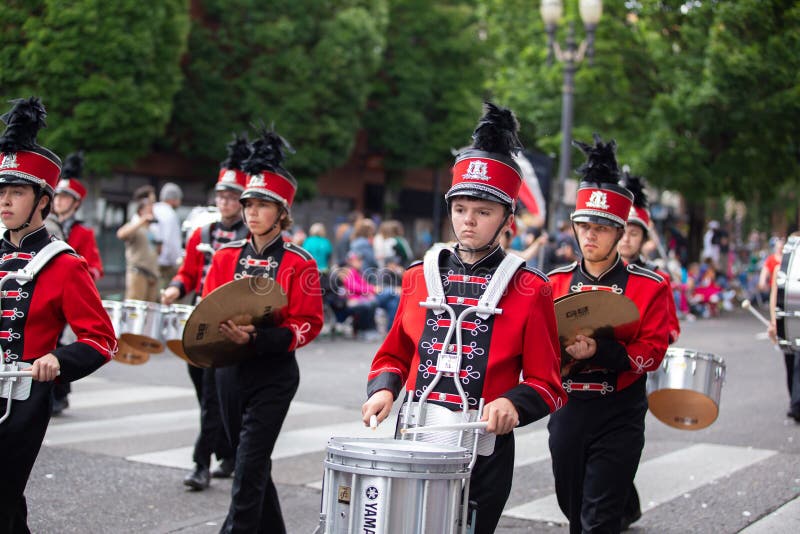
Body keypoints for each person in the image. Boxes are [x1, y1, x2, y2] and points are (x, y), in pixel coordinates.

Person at [361, 103, 566, 534]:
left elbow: (547, 383)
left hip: (484, 446)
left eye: (483, 211)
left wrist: (512, 402)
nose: (468, 221)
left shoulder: (532, 287)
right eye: (460, 209)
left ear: (507, 219)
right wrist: (383, 391)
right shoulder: (419, 276)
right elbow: (393, 356)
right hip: (416, 432)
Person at [0, 97, 117, 532]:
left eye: (16, 192)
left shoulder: (64, 264)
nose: (5, 201)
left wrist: (58, 361)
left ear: (43, 201)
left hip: (22, 398)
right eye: (0, 192)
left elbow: (102, 339)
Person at [546, 134, 670, 534]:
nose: (590, 235)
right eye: (583, 226)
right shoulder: (552, 283)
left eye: (601, 228)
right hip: (568, 410)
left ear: (620, 233)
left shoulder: (651, 286)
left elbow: (653, 352)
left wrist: (601, 350)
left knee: (600, 520)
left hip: (620, 410)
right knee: (573, 508)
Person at [202, 125, 323, 533]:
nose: (251, 211)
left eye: (262, 205)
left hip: (273, 376)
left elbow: (310, 323)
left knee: (248, 468)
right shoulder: (223, 258)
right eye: (248, 203)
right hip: (228, 373)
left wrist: (259, 337)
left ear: (282, 213)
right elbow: (206, 311)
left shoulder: (300, 262)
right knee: (250, 463)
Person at [162, 134, 251, 491]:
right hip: (197, 322)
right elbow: (187, 272)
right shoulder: (203, 231)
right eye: (221, 196)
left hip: (228, 328)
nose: (225, 201)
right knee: (208, 397)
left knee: (215, 400)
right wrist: (174, 289)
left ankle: (200, 463)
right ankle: (228, 454)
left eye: (232, 196)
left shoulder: (249, 235)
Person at [616, 170, 681, 529]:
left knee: (619, 455)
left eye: (634, 232)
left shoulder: (656, 277)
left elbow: (669, 327)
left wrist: (650, 342)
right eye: (621, 229)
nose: (626, 238)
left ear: (643, 238)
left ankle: (622, 507)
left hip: (631, 373)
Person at [50, 151, 106, 415]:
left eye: (65, 197)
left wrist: (83, 272)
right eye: (57, 195)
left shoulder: (83, 232)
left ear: (76, 203)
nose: (59, 201)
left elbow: (96, 266)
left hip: (71, 290)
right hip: (48, 289)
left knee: (65, 345)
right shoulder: (44, 226)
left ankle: (61, 393)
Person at [117, 185, 160, 302]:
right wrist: (142, 221)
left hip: (152, 275)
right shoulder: (135, 224)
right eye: (149, 205)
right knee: (135, 310)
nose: (152, 208)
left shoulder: (152, 228)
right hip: (138, 273)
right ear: (141, 209)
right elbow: (121, 234)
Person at [153, 181, 183, 285]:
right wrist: (178, 262)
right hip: (165, 266)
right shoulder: (171, 214)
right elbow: (172, 242)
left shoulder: (153, 209)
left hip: (149, 263)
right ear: (173, 199)